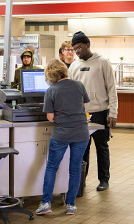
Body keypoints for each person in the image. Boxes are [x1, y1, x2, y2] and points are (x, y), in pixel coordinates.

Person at [35, 59, 90, 216]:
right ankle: (71, 205)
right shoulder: (79, 85)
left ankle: (46, 203)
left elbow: (50, 118)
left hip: (61, 134)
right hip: (81, 133)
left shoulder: (51, 90)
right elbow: (84, 106)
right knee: (75, 168)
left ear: (50, 75)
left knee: (52, 167)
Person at [68, 31, 118, 192]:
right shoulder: (74, 66)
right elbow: (70, 90)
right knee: (82, 149)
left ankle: (104, 180)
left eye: (80, 47)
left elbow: (112, 89)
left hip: (100, 112)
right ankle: (82, 180)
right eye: (74, 48)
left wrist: (113, 113)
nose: (77, 51)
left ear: (88, 45)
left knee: (102, 147)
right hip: (80, 115)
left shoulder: (103, 62)